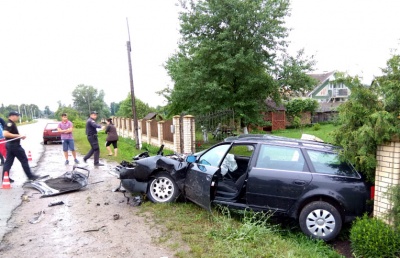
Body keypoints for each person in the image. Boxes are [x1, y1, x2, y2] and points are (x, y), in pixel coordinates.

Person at [2, 111, 39, 182]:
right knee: (24, 160)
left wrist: (20, 136)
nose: (18, 117)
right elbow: (5, 134)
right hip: (14, 145)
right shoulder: (9, 124)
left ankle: (5, 178)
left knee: (8, 162)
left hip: (10, 145)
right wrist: (18, 136)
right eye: (17, 116)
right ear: (12, 116)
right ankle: (30, 176)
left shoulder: (11, 123)